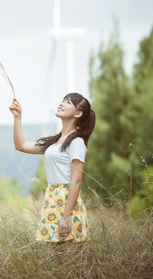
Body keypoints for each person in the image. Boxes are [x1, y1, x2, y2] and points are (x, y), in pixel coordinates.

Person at [9, 93, 96, 244]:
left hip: (68, 203)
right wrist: (17, 117)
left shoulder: (76, 142)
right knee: (59, 263)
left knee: (73, 262)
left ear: (78, 113)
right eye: (62, 100)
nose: (62, 103)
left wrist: (67, 215)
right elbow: (20, 145)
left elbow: (76, 180)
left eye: (68, 102)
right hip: (51, 200)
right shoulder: (53, 142)